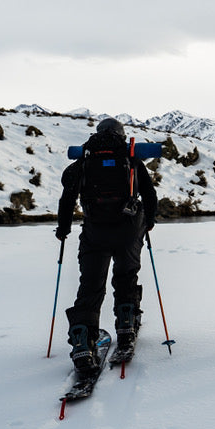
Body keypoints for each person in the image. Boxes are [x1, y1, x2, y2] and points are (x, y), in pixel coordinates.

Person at [56, 117, 159, 378]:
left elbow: (67, 195)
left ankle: (82, 342)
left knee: (90, 286)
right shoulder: (131, 158)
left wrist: (63, 229)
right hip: (127, 230)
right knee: (126, 277)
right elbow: (149, 193)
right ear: (121, 135)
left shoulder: (85, 160)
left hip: (94, 232)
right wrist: (149, 222)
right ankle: (126, 327)